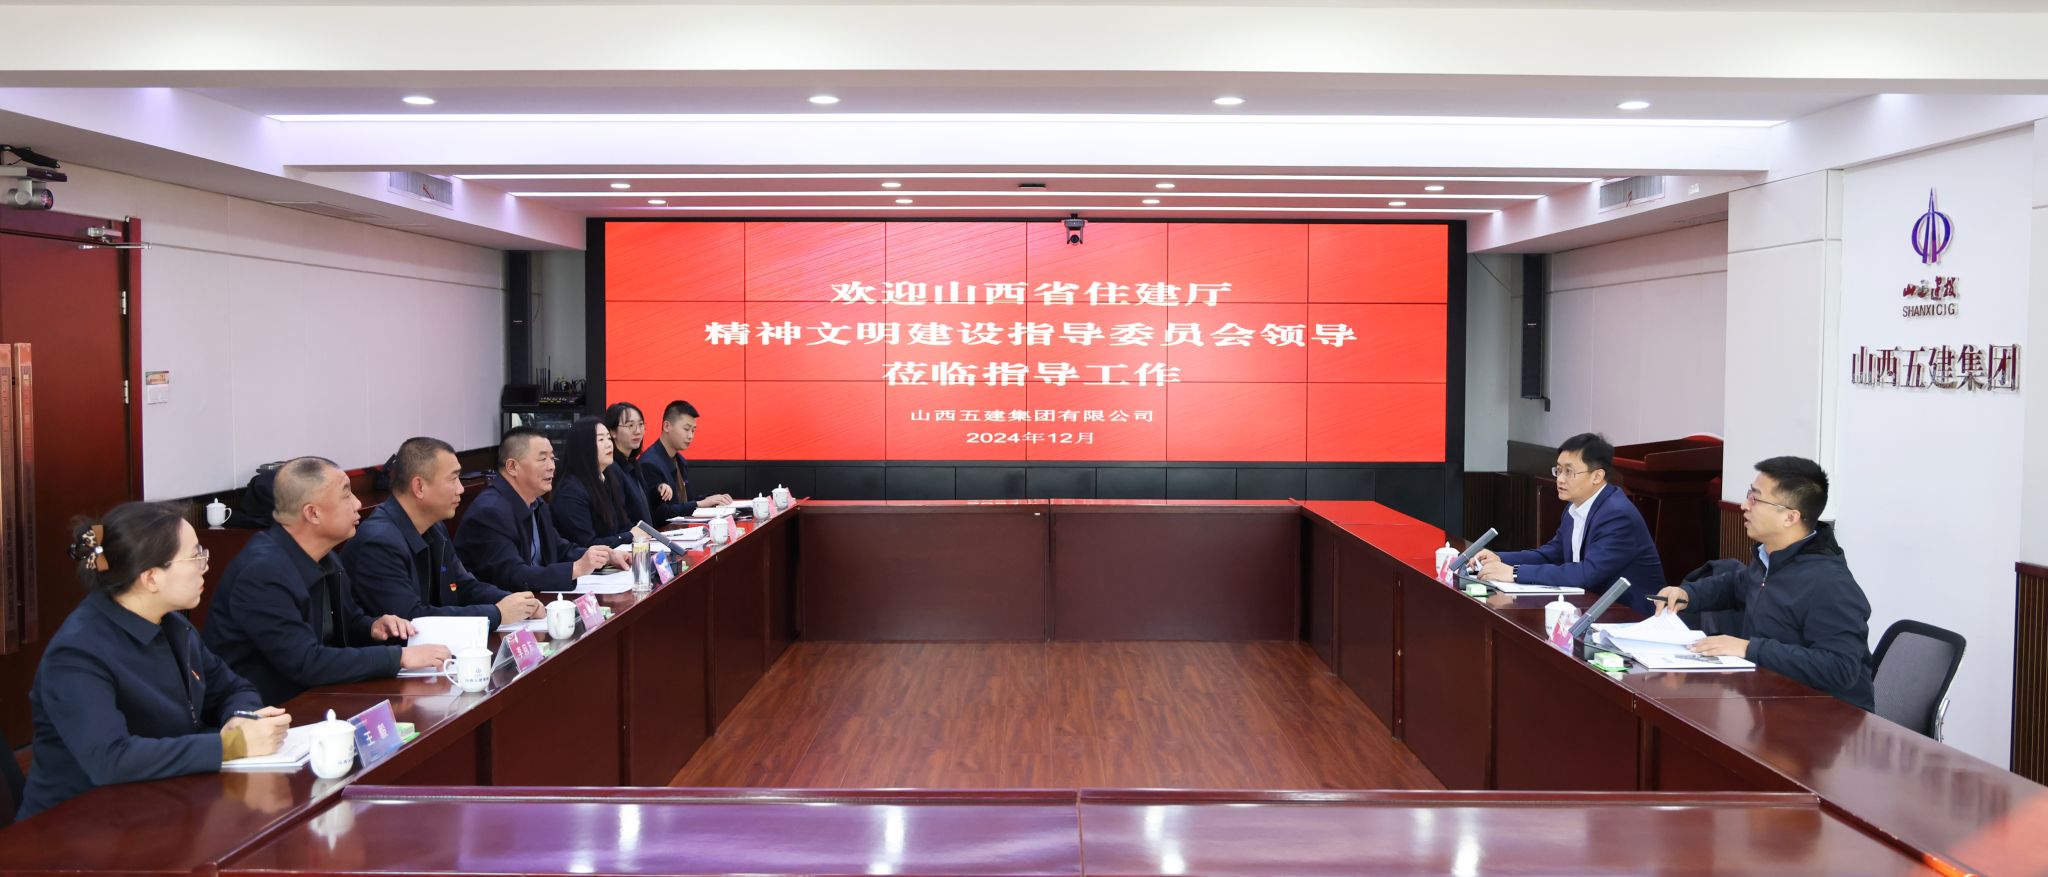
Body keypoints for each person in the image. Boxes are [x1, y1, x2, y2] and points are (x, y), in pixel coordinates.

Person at [17, 503, 292, 820]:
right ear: (150, 578)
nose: (205, 566)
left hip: (163, 802)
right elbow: (111, 759)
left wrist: (241, 719)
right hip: (77, 826)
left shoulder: (173, 624)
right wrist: (229, 745)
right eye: (195, 556)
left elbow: (233, 688)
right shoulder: (77, 654)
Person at [203, 457, 450, 704]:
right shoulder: (261, 573)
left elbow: (347, 623)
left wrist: (372, 627)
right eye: (346, 495)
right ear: (313, 513)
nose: (357, 503)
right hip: (268, 710)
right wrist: (399, 657)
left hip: (320, 695)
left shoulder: (325, 555)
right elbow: (306, 662)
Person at [1654, 456, 1875, 711]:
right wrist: (1688, 594)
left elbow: (1840, 668)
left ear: (1790, 517)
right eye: (1749, 494)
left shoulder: (1830, 583)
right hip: (1773, 702)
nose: (1744, 506)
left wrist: (1749, 649)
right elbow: (1736, 586)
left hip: (1830, 719)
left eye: (1755, 499)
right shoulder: (1771, 557)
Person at [345, 437, 542, 629]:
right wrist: (496, 613)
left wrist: (515, 602)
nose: (461, 489)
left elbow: (463, 586)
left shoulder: (434, 527)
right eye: (453, 479)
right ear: (419, 487)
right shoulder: (378, 542)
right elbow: (411, 620)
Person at [1474, 432, 1666, 614]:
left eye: (1569, 472)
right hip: (1594, 608)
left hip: (1632, 616)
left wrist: (1515, 573)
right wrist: (1500, 559)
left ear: (1597, 476)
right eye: (1558, 470)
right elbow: (1552, 554)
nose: (1560, 479)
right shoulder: (1575, 507)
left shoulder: (1617, 514)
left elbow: (1586, 573)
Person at [453, 426, 627, 592]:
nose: (552, 466)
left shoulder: (537, 503)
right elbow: (513, 575)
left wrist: (603, 557)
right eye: (543, 459)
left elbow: (559, 549)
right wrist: (575, 569)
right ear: (512, 467)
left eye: (552, 458)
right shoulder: (490, 512)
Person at [638, 399, 732, 521]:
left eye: (693, 430)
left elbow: (685, 502)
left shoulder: (680, 460)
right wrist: (700, 504)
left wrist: (712, 499)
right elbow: (660, 513)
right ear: (667, 426)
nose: (690, 436)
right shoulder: (649, 463)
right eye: (686, 429)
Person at [551, 417, 637, 547]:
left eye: (609, 438)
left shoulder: (606, 478)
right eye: (601, 439)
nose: (609, 444)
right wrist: (629, 536)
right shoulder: (570, 491)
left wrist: (638, 532)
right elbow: (587, 544)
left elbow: (622, 523)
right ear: (583, 446)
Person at [603, 402, 654, 527]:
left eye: (640, 424)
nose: (638, 431)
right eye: (630, 425)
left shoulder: (632, 463)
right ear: (613, 432)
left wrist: (658, 493)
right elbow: (620, 517)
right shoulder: (612, 468)